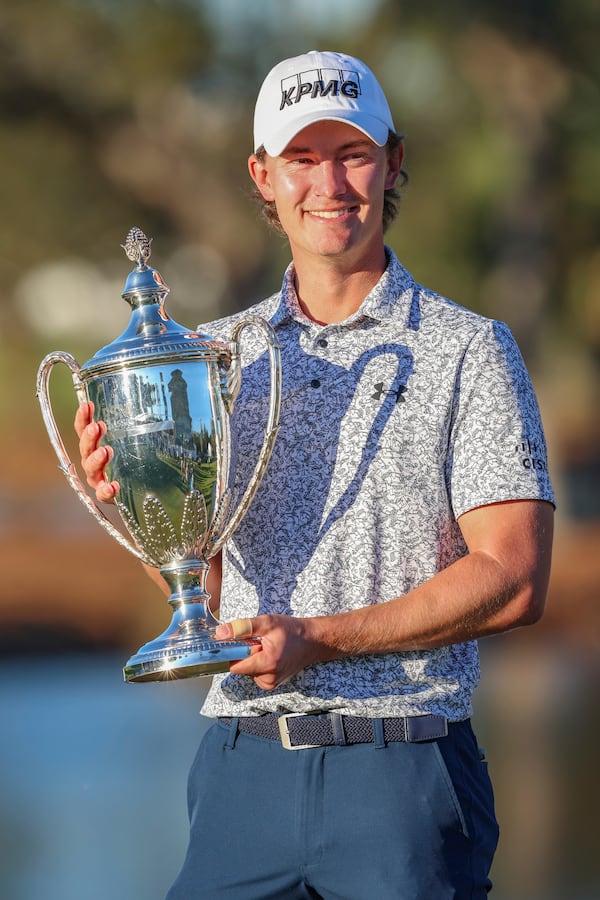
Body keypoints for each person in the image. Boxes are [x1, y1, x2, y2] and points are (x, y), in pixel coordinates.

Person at [76, 50, 555, 899]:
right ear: (262, 176)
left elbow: (513, 578)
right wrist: (140, 506)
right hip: (240, 774)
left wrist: (319, 638)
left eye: (353, 154)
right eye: (301, 158)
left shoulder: (471, 349)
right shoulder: (210, 357)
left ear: (393, 163)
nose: (328, 183)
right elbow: (207, 587)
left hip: (402, 774)